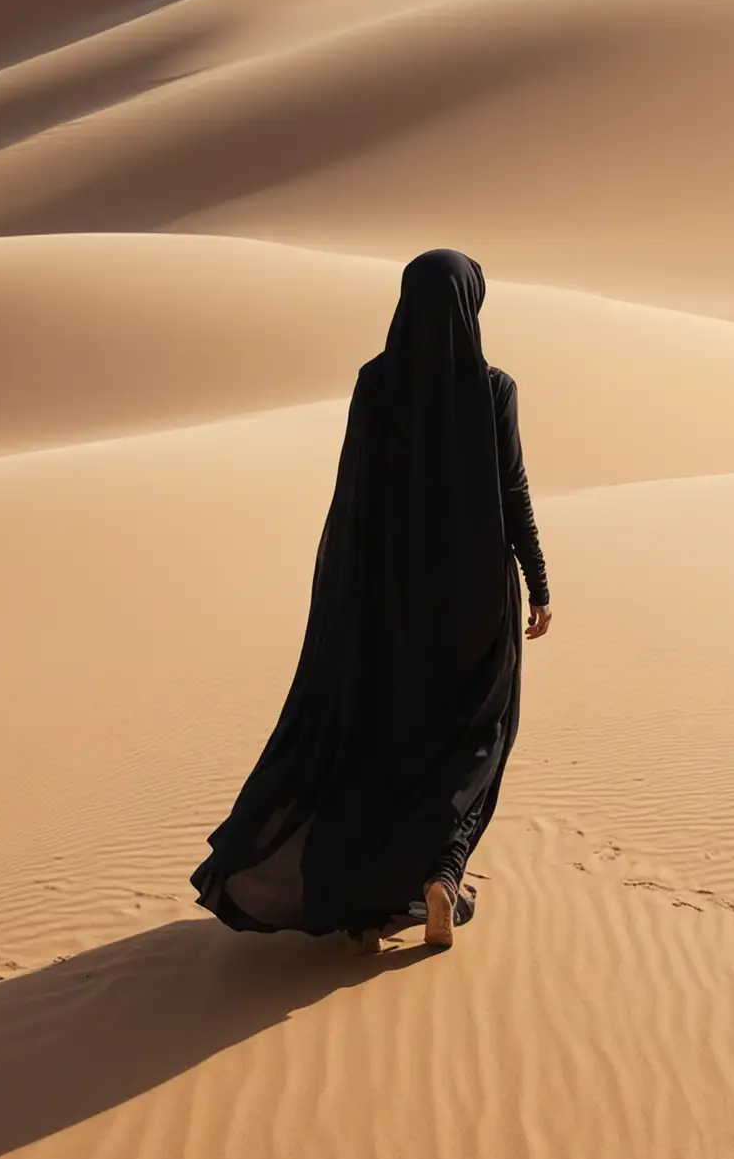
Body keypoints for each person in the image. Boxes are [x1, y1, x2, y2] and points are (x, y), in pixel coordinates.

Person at [190, 248, 551, 953]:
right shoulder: (494, 388)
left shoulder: (376, 384)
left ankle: (378, 879)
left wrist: (343, 601)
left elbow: (354, 498)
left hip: (390, 601)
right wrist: (538, 581)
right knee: (475, 738)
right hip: (477, 604)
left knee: (391, 735)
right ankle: (444, 872)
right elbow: (514, 492)